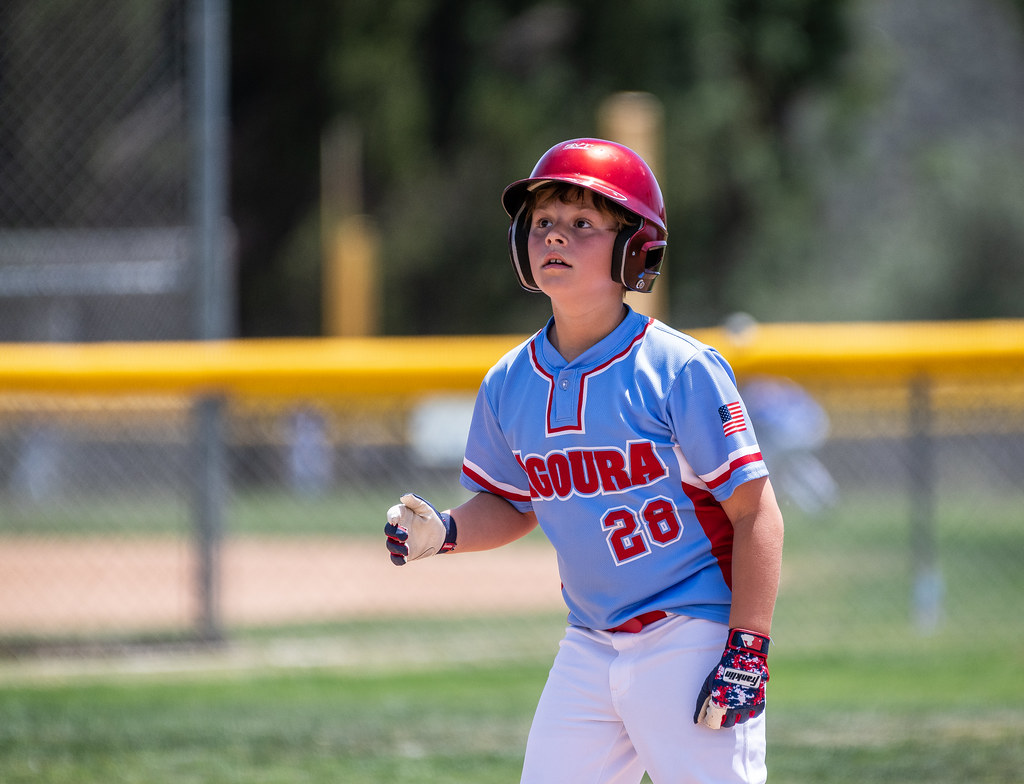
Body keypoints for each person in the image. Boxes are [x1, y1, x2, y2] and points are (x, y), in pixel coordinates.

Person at [384, 138, 784, 784]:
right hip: (589, 643)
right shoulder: (510, 382)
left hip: (691, 634)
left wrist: (748, 647)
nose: (555, 237)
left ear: (633, 250)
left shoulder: (679, 370)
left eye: (582, 224)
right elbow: (514, 503)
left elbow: (757, 513)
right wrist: (448, 530)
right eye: (543, 222)